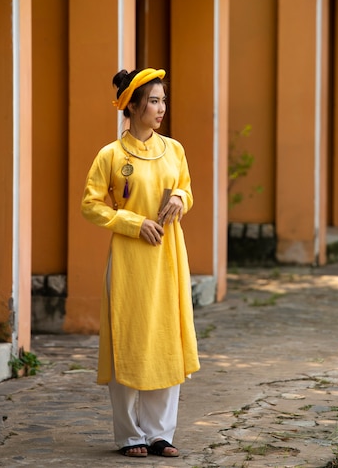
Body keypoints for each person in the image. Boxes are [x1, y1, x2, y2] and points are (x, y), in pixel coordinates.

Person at [81, 67, 200, 458]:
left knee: (165, 336)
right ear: (131, 106)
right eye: (153, 100)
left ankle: (160, 433)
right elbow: (91, 205)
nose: (161, 108)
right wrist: (133, 223)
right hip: (131, 260)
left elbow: (185, 188)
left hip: (167, 255)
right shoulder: (110, 155)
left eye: (163, 100)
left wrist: (180, 200)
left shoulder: (175, 149)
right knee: (128, 338)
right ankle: (130, 433)